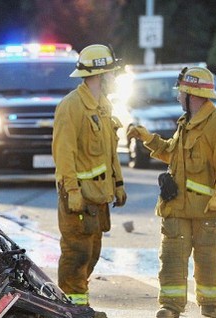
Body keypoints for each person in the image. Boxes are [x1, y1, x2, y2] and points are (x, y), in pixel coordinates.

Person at [128, 66, 216, 318]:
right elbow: (173, 154)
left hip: (207, 209)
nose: (178, 96)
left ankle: (211, 306)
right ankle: (170, 307)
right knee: (172, 258)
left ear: (193, 95)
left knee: (208, 259)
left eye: (181, 93)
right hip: (177, 206)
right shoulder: (185, 123)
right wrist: (148, 138)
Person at [52, 44, 126, 313]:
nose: (114, 79)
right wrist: (72, 191)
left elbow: (109, 152)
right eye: (111, 74)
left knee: (92, 255)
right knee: (76, 256)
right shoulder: (71, 107)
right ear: (100, 75)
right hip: (79, 199)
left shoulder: (103, 106)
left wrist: (118, 183)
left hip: (98, 199)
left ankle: (77, 307)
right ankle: (72, 310)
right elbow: (64, 154)